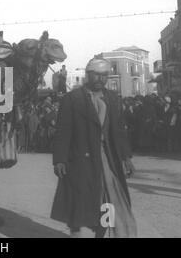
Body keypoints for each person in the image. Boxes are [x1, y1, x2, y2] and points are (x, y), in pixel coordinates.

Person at [51, 57, 137, 238]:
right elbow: (63, 131)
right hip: (81, 163)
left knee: (109, 201)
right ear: (88, 75)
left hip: (108, 162)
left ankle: (101, 233)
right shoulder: (72, 98)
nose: (100, 79)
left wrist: (126, 157)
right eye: (96, 75)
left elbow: (119, 131)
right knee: (82, 205)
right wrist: (59, 159)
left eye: (104, 75)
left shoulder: (112, 98)